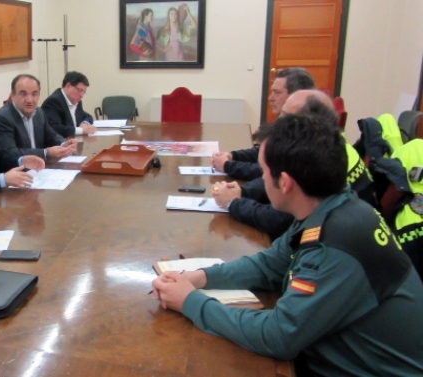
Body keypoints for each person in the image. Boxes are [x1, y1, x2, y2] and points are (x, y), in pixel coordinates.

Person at [153, 114, 423, 376]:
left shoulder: (336, 242)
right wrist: (201, 277)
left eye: (264, 171)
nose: (259, 180)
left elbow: (278, 336)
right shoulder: (333, 206)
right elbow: (270, 264)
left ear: (285, 183)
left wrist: (190, 302)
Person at [212, 90, 375, 239]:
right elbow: (272, 174)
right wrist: (243, 191)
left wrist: (234, 202)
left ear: (303, 125)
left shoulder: (318, 162)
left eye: (285, 117)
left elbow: (276, 220)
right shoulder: (327, 146)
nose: (278, 121)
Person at [211, 67, 315, 180]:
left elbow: (270, 172)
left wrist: (227, 166)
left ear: (295, 95)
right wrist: (232, 156)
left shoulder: (305, 131)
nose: (271, 98)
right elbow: (266, 150)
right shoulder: (291, 121)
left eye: (277, 93)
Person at [0, 74, 77, 164]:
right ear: (13, 95)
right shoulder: (2, 119)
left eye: (34, 94)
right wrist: (46, 153)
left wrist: (64, 144)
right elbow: (10, 154)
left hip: (39, 170)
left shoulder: (39, 112)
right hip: (16, 173)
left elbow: (51, 136)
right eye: (23, 94)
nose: (29, 100)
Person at [40, 71, 96, 138]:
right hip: (58, 145)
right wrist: (81, 130)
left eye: (83, 92)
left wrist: (85, 123)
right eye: (80, 90)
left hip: (74, 143)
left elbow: (88, 116)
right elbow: (54, 128)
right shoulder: (54, 101)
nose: (82, 96)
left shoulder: (76, 101)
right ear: (68, 86)